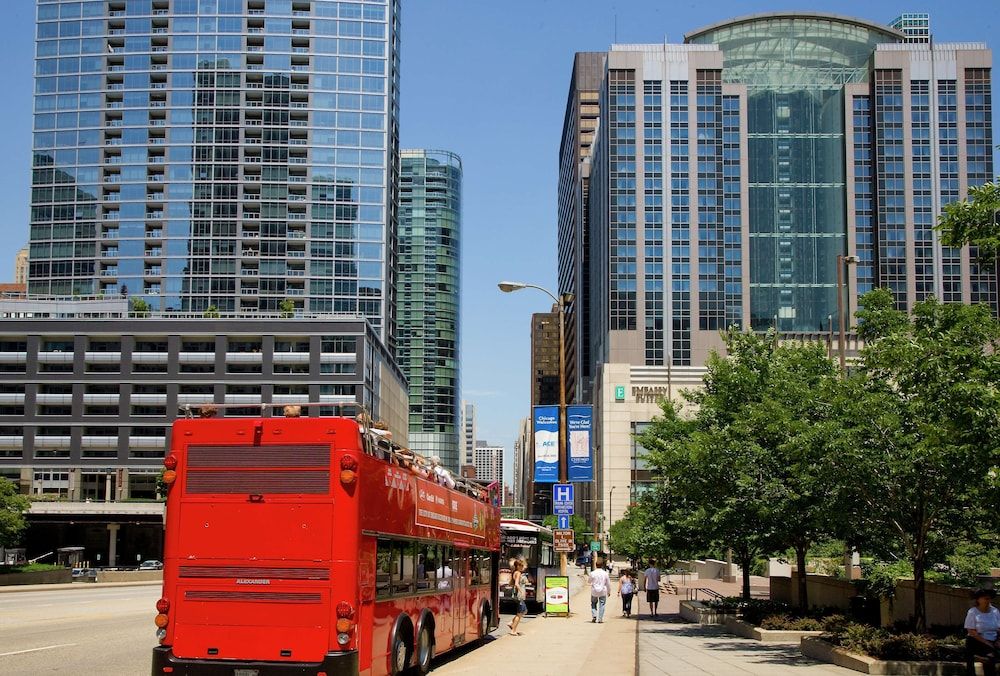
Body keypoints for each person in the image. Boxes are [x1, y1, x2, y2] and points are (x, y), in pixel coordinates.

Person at [965, 588, 1000, 674]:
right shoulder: (973, 612)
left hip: (994, 640)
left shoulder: (995, 611)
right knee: (989, 658)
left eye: (989, 599)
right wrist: (988, 643)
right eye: (985, 598)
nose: (988, 601)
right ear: (978, 600)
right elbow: (971, 631)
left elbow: (999, 628)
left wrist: (999, 640)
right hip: (978, 640)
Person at [508, 559, 528, 636]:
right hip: (519, 595)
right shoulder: (518, 573)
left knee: (524, 610)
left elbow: (511, 583)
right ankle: (513, 630)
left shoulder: (515, 573)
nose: (523, 567)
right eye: (522, 566)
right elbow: (516, 583)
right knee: (520, 613)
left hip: (516, 595)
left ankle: (511, 622)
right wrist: (521, 591)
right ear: (518, 566)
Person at [589, 558, 611, 623]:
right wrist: (609, 591)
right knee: (602, 604)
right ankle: (600, 619)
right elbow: (608, 584)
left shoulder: (592, 573)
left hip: (594, 591)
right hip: (602, 591)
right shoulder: (605, 573)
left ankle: (594, 615)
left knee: (593, 603)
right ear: (602, 565)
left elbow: (589, 581)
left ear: (595, 565)